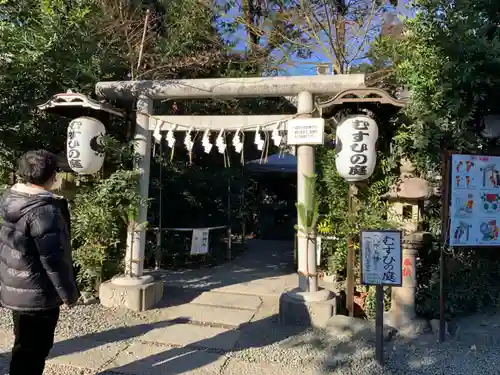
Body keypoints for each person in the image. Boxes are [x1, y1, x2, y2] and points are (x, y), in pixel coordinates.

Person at [0, 149, 79, 375]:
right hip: (38, 294)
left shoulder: (13, 199)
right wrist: (69, 295)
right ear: (52, 176)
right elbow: (55, 260)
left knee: (23, 347)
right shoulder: (44, 211)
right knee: (35, 352)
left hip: (17, 289)